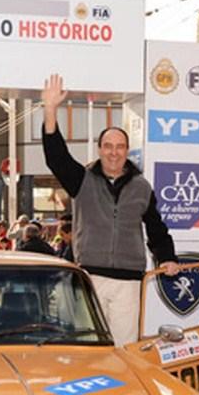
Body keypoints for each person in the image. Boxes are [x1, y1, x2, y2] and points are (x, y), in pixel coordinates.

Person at [41, 73, 179, 345]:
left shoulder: (141, 187)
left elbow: (156, 228)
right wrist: (50, 110)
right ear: (100, 149)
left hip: (129, 283)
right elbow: (56, 158)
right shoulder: (82, 180)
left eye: (119, 147)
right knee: (88, 347)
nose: (114, 152)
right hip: (90, 277)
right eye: (108, 146)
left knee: (124, 348)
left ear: (127, 150)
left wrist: (167, 257)